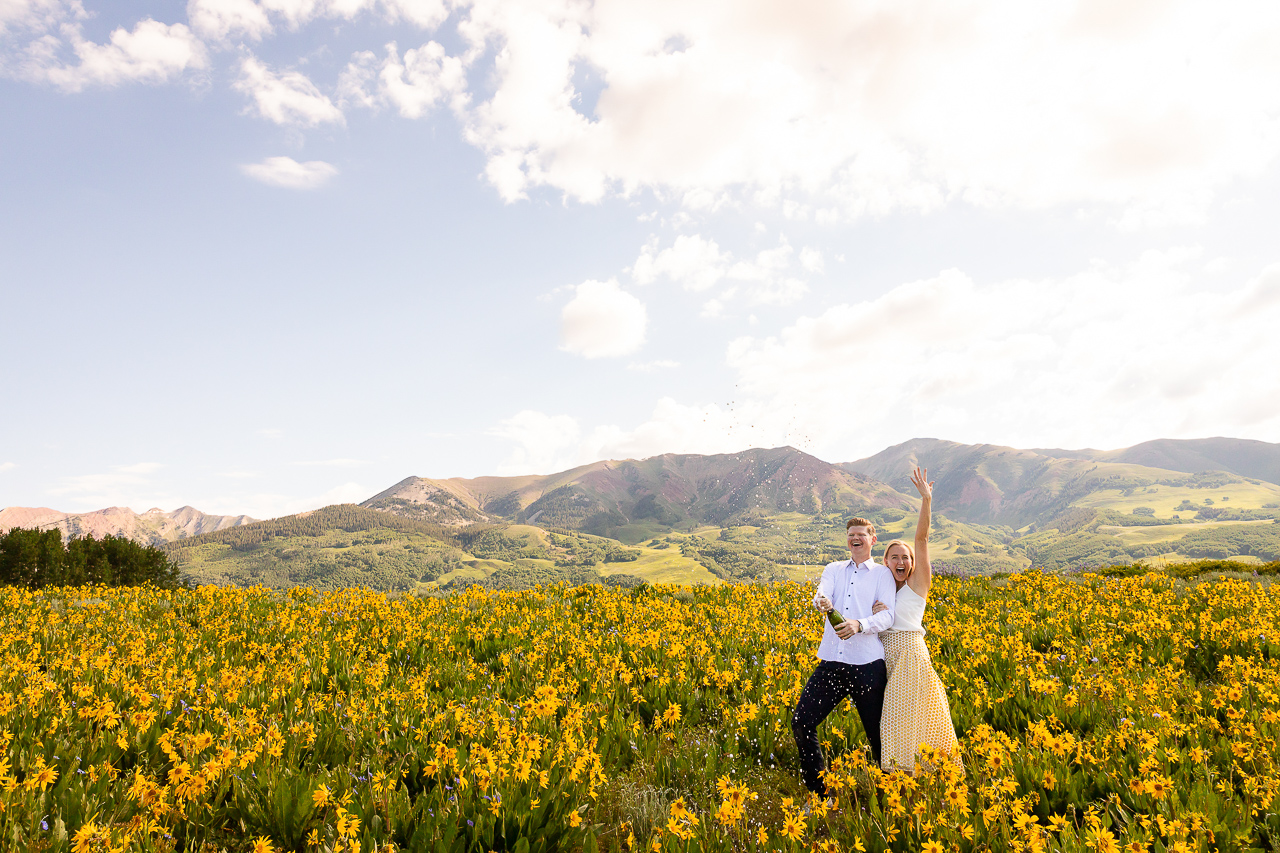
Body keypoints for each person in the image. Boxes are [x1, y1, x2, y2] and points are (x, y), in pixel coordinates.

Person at [791, 517, 898, 796]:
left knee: (878, 737)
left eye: (861, 534)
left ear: (873, 540)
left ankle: (890, 797)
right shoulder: (833, 569)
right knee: (802, 721)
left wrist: (858, 624)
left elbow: (888, 616)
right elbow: (821, 594)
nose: (855, 538)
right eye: (851, 534)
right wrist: (822, 602)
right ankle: (820, 794)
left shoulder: (882, 574)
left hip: (867, 667)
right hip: (832, 663)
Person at [875, 466, 961, 773]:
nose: (901, 561)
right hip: (884, 659)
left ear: (912, 563)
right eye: (894, 556)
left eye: (905, 557)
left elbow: (922, 539)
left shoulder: (917, 584)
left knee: (899, 720)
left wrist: (926, 500)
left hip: (910, 656)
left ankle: (906, 778)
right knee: (903, 721)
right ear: (885, 562)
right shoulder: (880, 587)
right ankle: (913, 780)